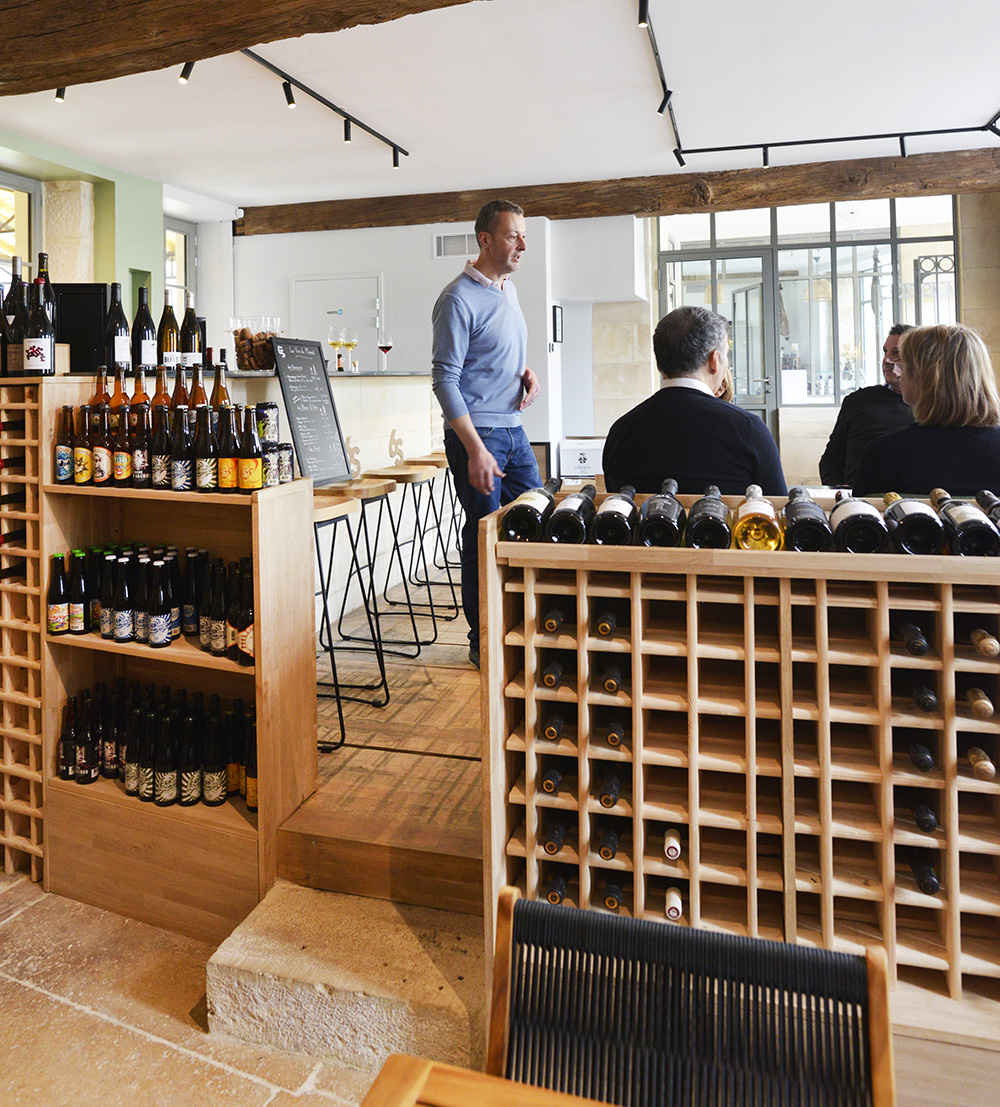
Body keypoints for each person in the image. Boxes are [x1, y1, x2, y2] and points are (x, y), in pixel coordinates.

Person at [432, 199, 541, 670]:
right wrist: (474, 449)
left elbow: (493, 355)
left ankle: (523, 624)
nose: (523, 244)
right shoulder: (457, 299)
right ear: (486, 240)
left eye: (523, 236)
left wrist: (525, 374)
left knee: (537, 521)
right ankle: (483, 640)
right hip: (480, 437)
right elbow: (445, 380)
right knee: (485, 536)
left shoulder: (506, 289)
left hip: (514, 430)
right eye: (514, 235)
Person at [601, 305, 787, 496]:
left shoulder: (621, 432)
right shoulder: (749, 430)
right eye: (726, 356)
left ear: (660, 363)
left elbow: (618, 503)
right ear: (714, 360)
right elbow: (779, 505)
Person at [852, 323, 1000, 498]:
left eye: (903, 364)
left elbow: (861, 514)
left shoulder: (885, 454)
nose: (899, 373)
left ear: (924, 376)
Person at [818, 323, 914, 487]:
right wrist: (837, 489)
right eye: (885, 352)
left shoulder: (930, 408)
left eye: (896, 353)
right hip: (857, 497)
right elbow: (831, 459)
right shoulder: (858, 401)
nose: (886, 360)